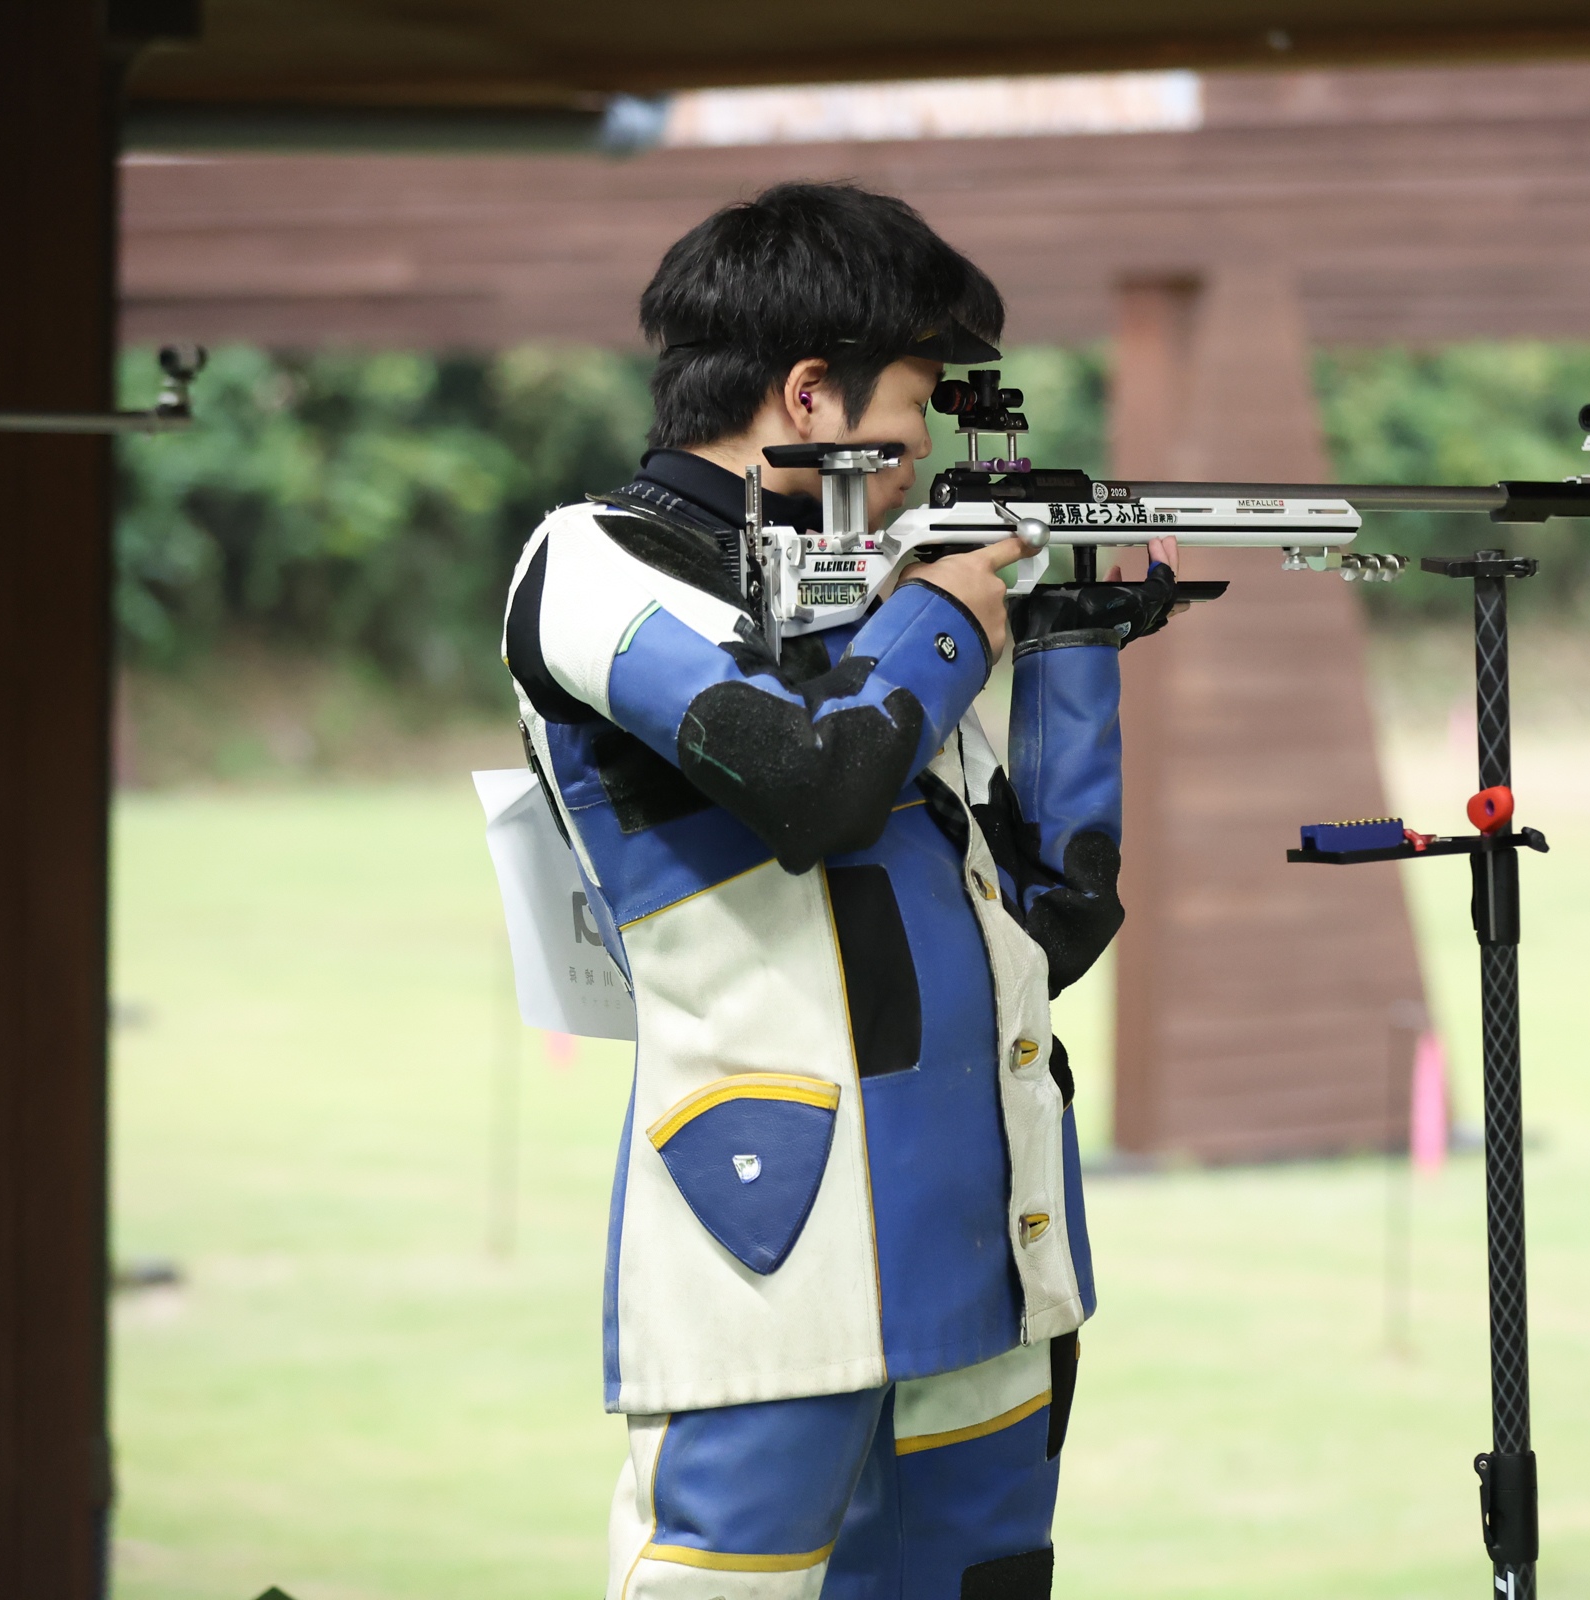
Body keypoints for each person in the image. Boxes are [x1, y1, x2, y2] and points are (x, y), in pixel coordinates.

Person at [501, 182, 1179, 1600]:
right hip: (778, 1236)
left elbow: (1048, 921)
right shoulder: (591, 563)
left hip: (986, 1228)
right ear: (811, 395)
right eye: (917, 402)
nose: (929, 444)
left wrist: (1071, 647)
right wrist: (942, 621)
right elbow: (814, 783)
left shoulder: (868, 607)